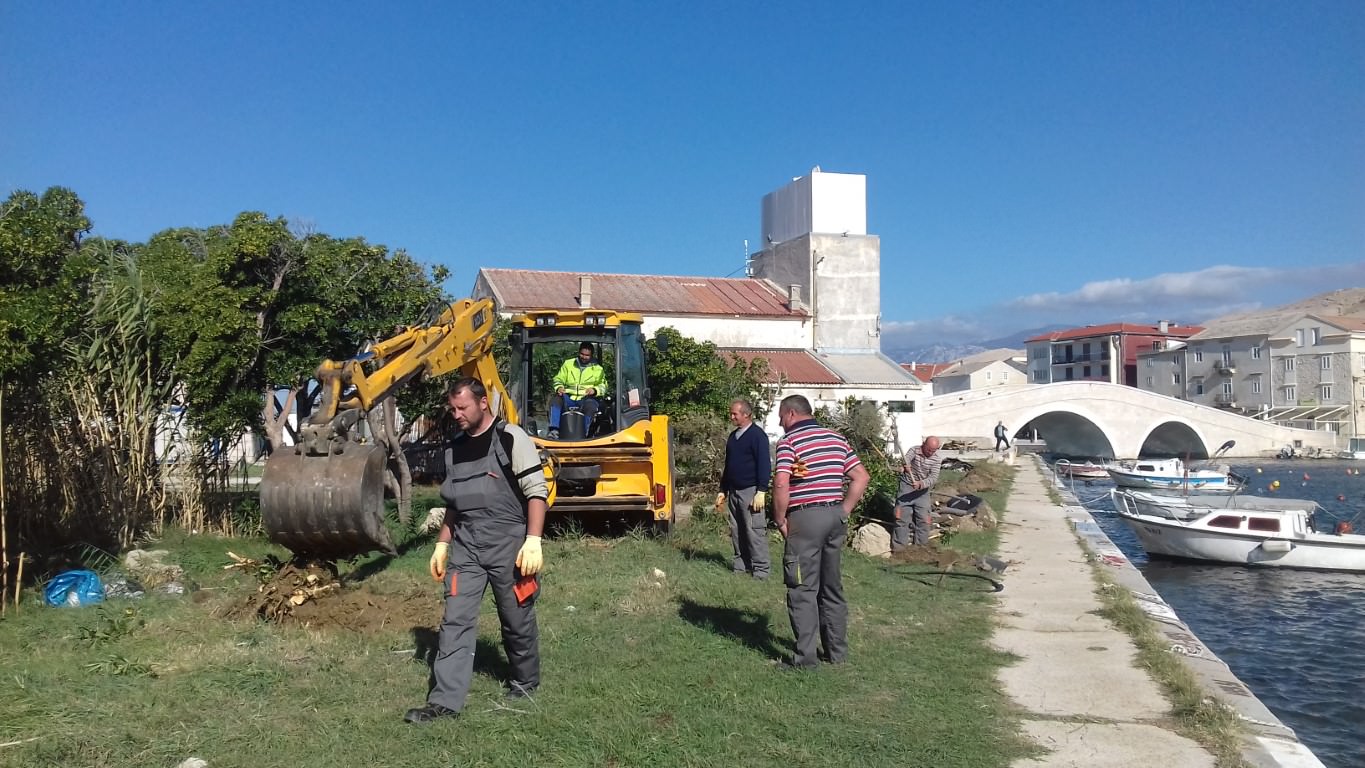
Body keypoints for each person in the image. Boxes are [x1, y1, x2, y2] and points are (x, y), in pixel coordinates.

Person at [405, 377, 548, 723]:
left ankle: (525, 680)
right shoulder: (454, 448)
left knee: (515, 618)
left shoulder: (511, 438)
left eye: (462, 407)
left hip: (509, 545)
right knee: (454, 621)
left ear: (483, 403)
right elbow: (453, 503)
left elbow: (536, 492)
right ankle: (444, 703)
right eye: (452, 408)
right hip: (466, 547)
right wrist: (442, 544)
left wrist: (533, 540)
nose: (456, 414)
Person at [771, 394, 870, 669]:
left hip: (806, 517)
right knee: (831, 586)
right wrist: (844, 510)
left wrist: (780, 519)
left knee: (802, 587)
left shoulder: (789, 442)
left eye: (781, 417)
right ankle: (836, 653)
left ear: (791, 414)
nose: (780, 424)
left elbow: (781, 483)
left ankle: (805, 659)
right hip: (834, 515)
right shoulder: (837, 439)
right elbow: (861, 476)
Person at [718, 398, 771, 580]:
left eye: (735, 413)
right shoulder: (733, 437)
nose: (731, 416)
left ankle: (761, 571)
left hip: (751, 491)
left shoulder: (758, 436)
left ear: (746, 414)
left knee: (754, 531)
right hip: (734, 491)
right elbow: (728, 465)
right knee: (737, 530)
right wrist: (722, 490)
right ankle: (741, 567)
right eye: (731, 413)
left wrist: (761, 491)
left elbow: (764, 464)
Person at [893, 436, 943, 550]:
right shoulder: (914, 450)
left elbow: (933, 478)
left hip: (922, 492)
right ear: (923, 444)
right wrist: (905, 466)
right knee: (901, 518)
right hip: (906, 488)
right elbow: (905, 460)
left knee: (924, 520)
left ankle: (920, 549)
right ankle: (899, 550)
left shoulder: (937, 459)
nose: (930, 452)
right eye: (928, 449)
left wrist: (921, 484)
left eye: (933, 450)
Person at [549, 342, 607, 438]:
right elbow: (558, 379)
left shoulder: (598, 369)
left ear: (591, 355)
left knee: (591, 407)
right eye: (582, 354)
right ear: (579, 352)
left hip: (586, 397)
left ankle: (584, 434)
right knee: (555, 401)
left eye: (587, 355)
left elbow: (603, 385)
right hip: (568, 396)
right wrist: (559, 387)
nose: (584, 357)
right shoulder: (568, 364)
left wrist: (594, 390)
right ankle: (554, 431)